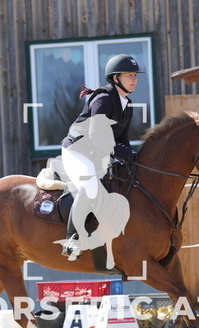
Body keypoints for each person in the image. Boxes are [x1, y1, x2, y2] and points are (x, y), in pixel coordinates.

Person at [58, 54, 143, 260]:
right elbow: (96, 135)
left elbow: (121, 138)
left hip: (97, 154)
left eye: (135, 75)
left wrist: (131, 156)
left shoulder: (127, 104)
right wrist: (123, 153)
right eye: (129, 75)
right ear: (115, 78)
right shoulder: (103, 99)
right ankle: (72, 238)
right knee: (90, 186)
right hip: (77, 151)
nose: (134, 79)